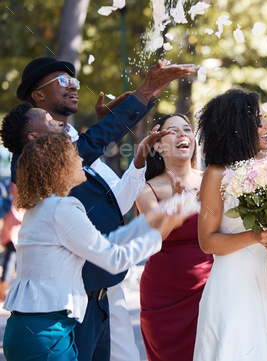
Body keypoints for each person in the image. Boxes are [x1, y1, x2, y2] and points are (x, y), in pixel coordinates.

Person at [6, 56, 194, 361]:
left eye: (75, 81)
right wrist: (142, 94)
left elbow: (109, 227)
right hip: (62, 310)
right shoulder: (33, 162)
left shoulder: (69, 158)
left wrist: (165, 211)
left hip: (97, 294)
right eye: (63, 82)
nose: (73, 87)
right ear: (37, 96)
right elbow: (114, 255)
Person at [193, 89, 267, 361]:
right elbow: (207, 241)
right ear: (239, 127)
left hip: (266, 279)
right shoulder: (216, 174)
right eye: (259, 120)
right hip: (234, 284)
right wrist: (255, 237)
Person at [135, 113, 213, 361]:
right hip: (163, 295)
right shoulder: (147, 190)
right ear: (158, 146)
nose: (182, 134)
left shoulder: (214, 181)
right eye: (173, 131)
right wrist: (176, 206)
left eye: (187, 129)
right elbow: (156, 237)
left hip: (211, 287)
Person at [0, 184, 24, 301]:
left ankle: (3, 289)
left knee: (11, 260)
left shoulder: (11, 184)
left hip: (12, 225)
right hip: (16, 227)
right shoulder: (17, 184)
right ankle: (4, 290)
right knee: (12, 260)